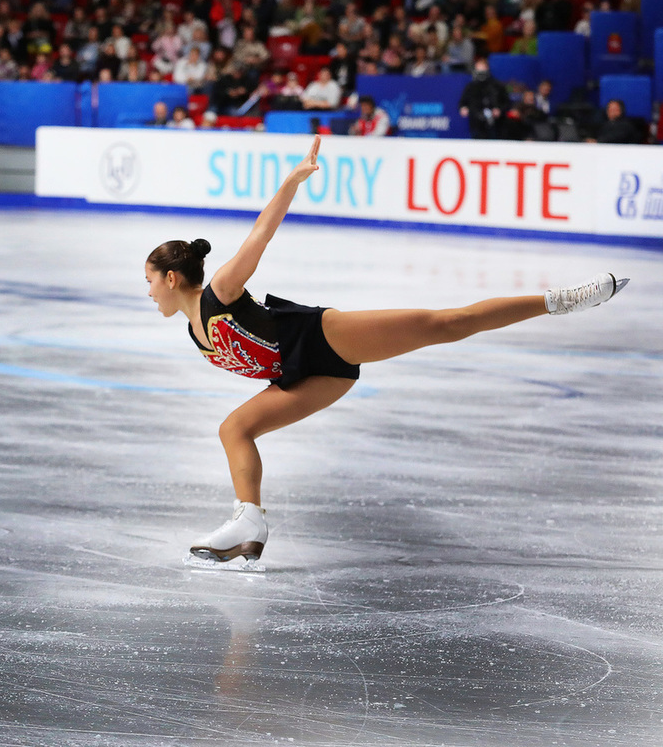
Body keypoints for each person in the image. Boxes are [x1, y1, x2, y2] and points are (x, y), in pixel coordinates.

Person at [144, 136, 628, 567]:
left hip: (322, 338)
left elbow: (260, 236)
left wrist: (292, 182)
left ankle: (561, 299)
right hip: (308, 378)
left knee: (447, 324)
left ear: (171, 278)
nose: (148, 293)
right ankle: (249, 523)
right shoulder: (195, 332)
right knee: (234, 428)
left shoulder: (220, 294)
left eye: (150, 281)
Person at [458, 57, 508, 140]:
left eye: (482, 68)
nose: (480, 71)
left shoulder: (497, 85)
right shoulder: (471, 86)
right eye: (478, 68)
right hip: (476, 123)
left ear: (487, 68)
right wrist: (463, 108)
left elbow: (506, 102)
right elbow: (462, 102)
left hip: (495, 124)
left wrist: (499, 110)